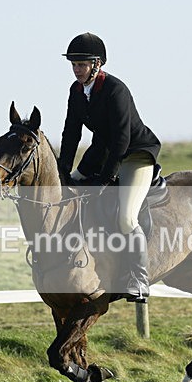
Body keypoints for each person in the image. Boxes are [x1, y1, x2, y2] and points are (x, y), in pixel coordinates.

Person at [58, 32, 161, 303]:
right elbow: (71, 134)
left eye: (81, 65)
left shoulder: (116, 90)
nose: (76, 70)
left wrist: (105, 180)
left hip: (135, 155)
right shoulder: (76, 91)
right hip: (102, 151)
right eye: (73, 65)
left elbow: (121, 141)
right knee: (68, 194)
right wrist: (63, 171)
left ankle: (139, 280)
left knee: (126, 218)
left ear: (97, 64)